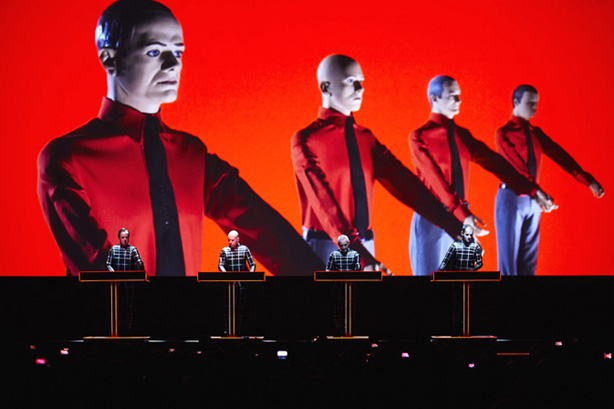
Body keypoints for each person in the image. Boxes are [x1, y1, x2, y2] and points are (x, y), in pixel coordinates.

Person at [37, 0, 324, 277]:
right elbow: (95, 267)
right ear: (109, 59)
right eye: (154, 52)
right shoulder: (68, 159)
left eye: (178, 52)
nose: (173, 64)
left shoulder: (191, 155)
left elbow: (265, 230)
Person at [291, 55, 464, 275]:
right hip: (327, 249)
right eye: (351, 81)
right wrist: (358, 253)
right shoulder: (306, 140)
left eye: (361, 82)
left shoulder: (366, 139)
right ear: (326, 87)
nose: (360, 88)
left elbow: (404, 183)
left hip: (366, 247)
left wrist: (450, 223)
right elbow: (323, 202)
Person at [409, 75, 556, 276]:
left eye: (459, 95)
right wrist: (463, 216)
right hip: (432, 218)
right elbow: (436, 181)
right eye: (452, 96)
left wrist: (533, 190)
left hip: (461, 216)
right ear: (434, 99)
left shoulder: (462, 136)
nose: (459, 101)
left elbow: (496, 163)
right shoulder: (419, 137)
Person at [494, 85, 604, 275]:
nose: (535, 107)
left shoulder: (535, 133)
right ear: (516, 102)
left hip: (533, 202)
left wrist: (587, 179)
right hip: (512, 198)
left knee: (529, 265)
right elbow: (518, 168)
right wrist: (538, 192)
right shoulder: (504, 133)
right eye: (530, 103)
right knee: (508, 265)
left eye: (536, 103)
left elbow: (559, 155)